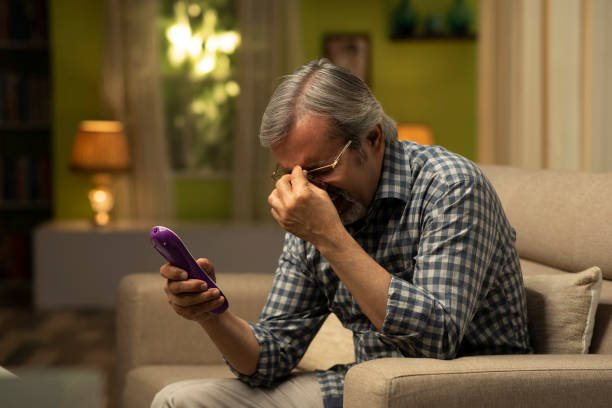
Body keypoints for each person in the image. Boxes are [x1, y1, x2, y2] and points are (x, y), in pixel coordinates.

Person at [152, 59, 532, 408]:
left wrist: (329, 235)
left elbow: (436, 342)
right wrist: (211, 313)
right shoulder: (316, 210)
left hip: (462, 389)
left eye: (319, 169)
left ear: (373, 138)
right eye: (290, 172)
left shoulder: (451, 187)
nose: (305, 189)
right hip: (370, 388)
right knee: (179, 401)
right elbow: (270, 357)